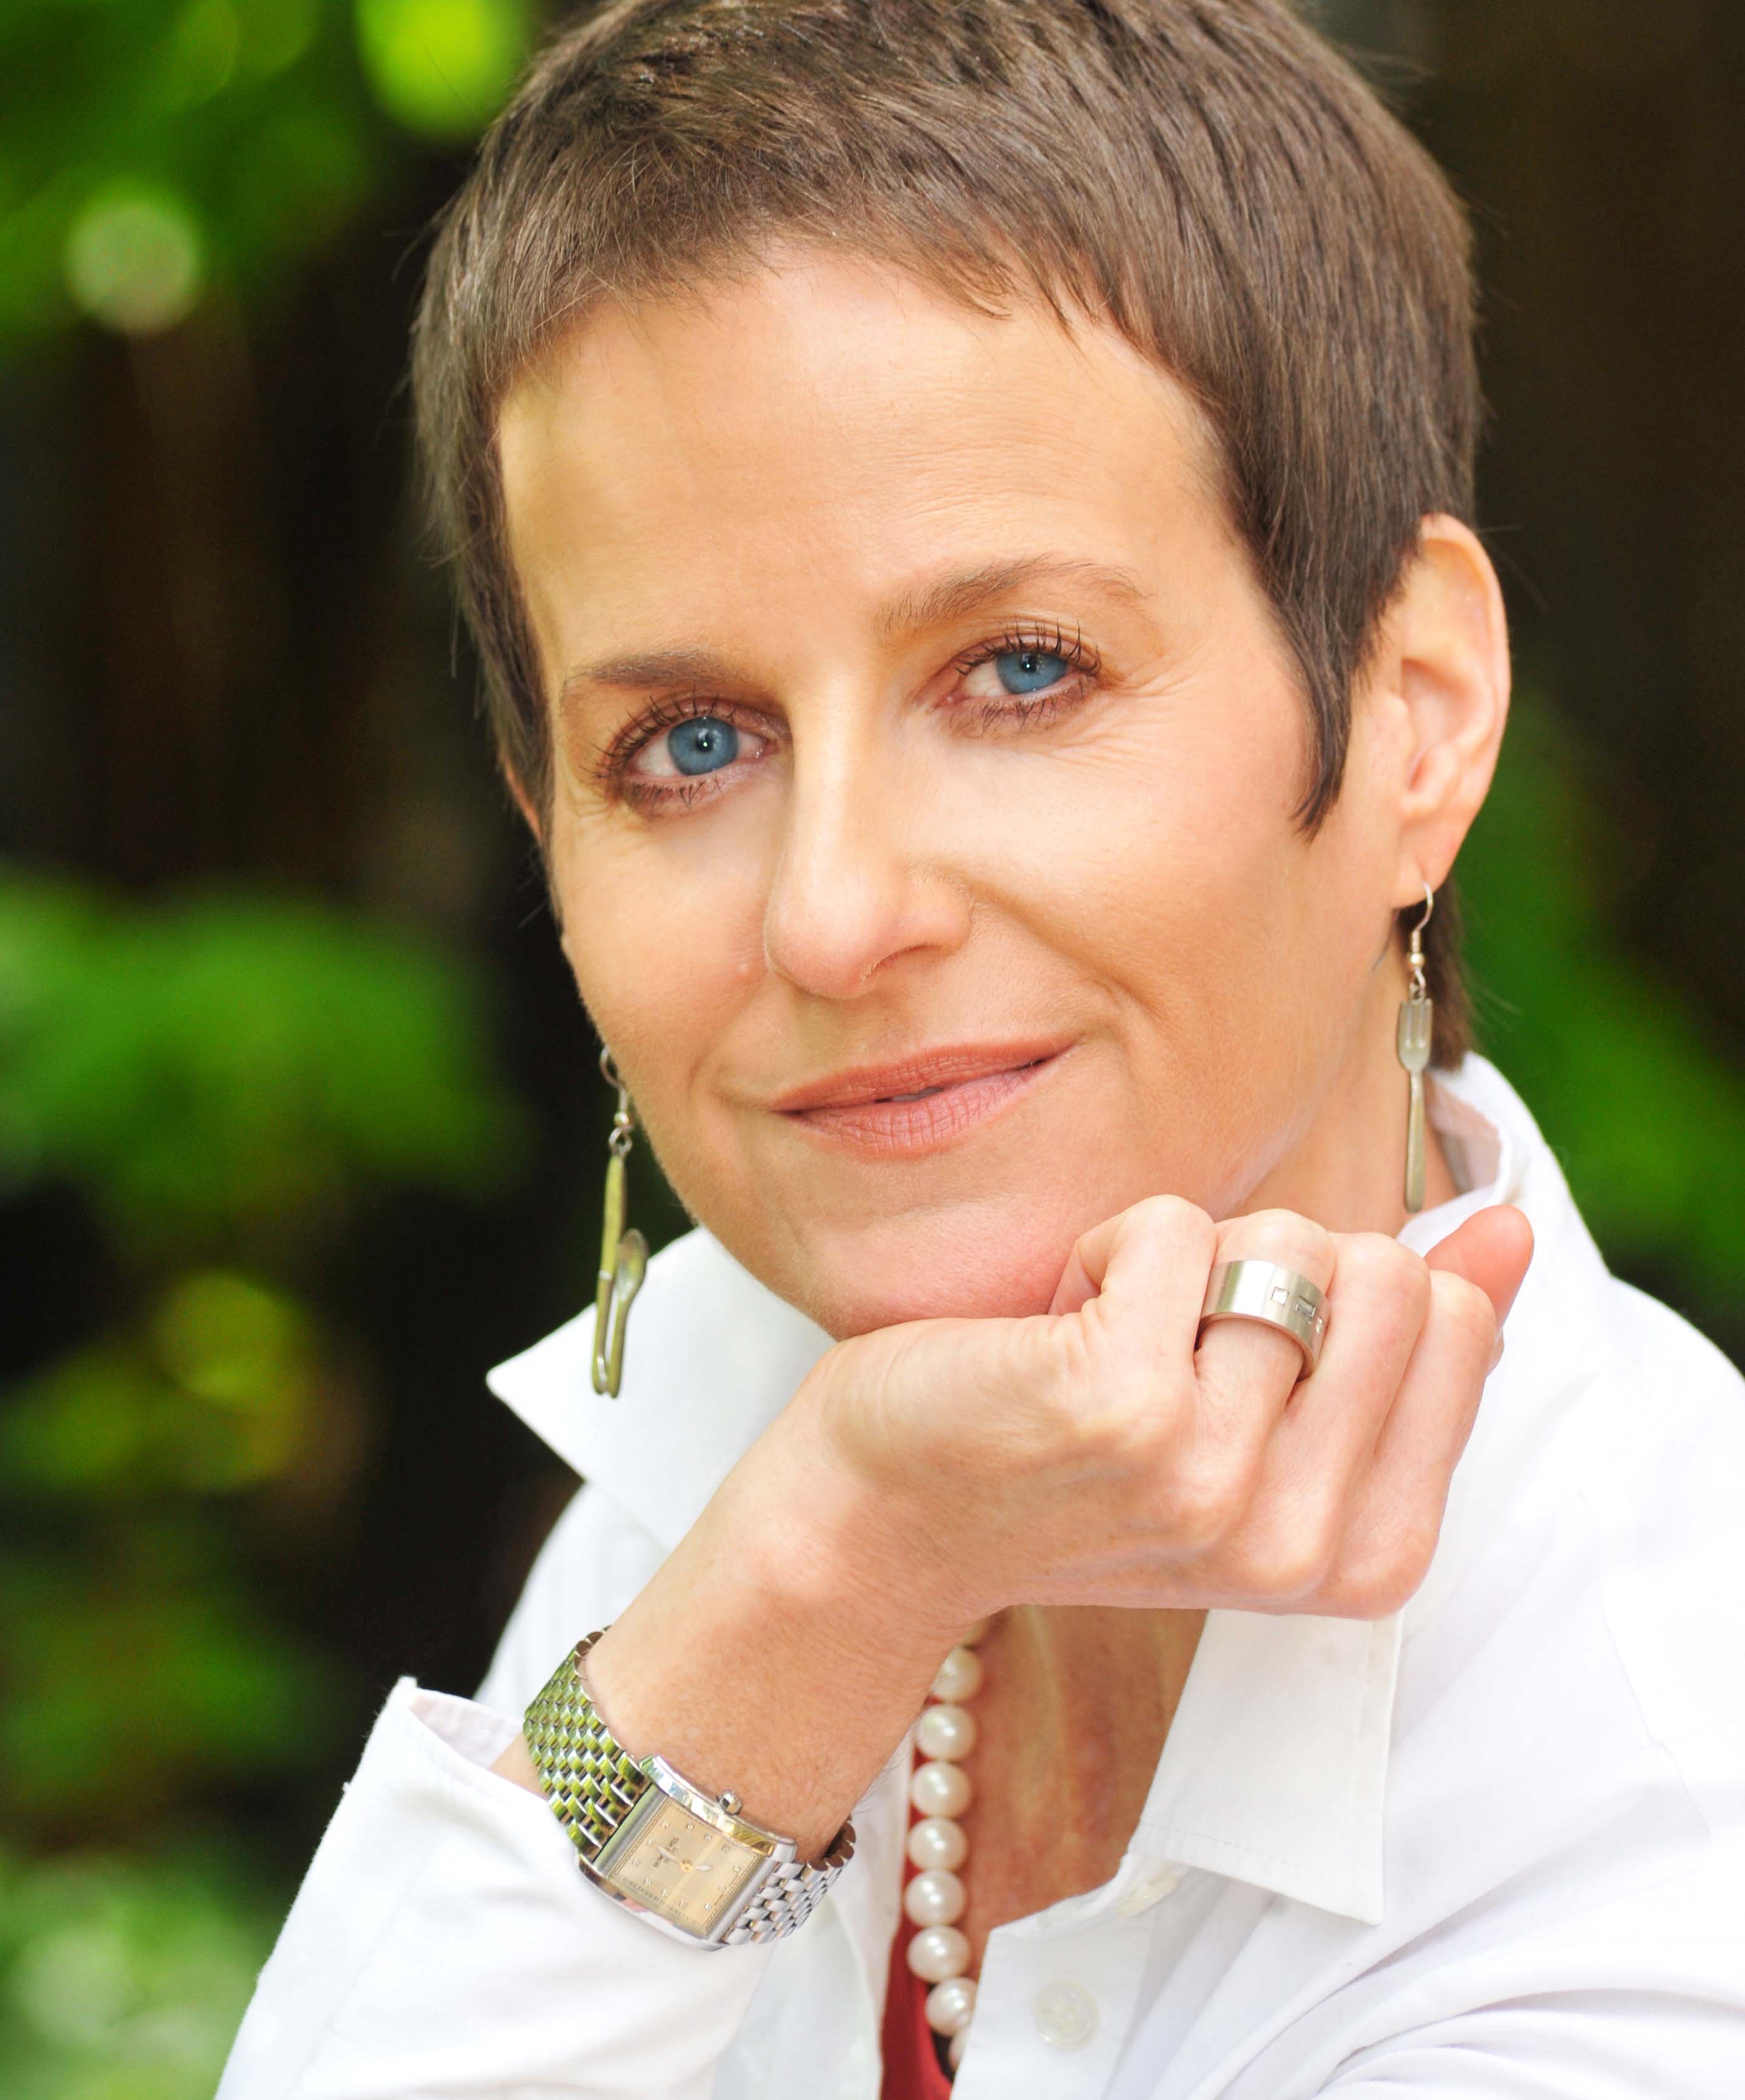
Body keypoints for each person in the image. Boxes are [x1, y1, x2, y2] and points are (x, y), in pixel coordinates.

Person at [217, 2, 1745, 2094]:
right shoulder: (742, 1473)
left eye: (1021, 671)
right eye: (688, 745)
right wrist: (822, 1576)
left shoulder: (1668, 1776)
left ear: (1412, 715)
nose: (834, 916)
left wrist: (836, 1552)